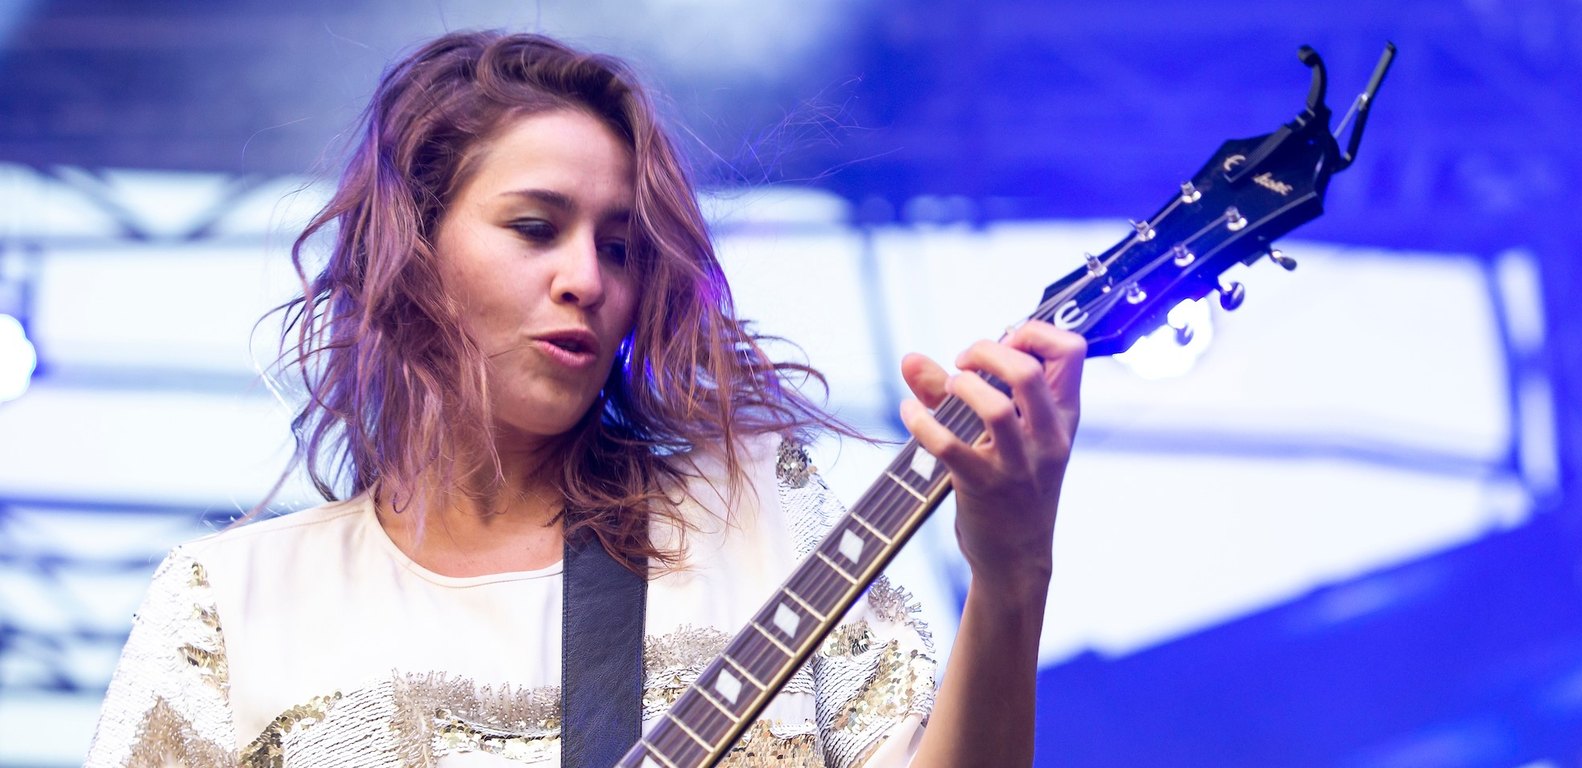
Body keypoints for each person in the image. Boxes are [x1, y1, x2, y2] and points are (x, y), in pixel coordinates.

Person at [84, 31, 1084, 768]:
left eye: (618, 245)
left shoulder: (755, 515)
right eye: (535, 227)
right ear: (410, 251)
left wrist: (1011, 574)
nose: (587, 278)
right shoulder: (229, 604)